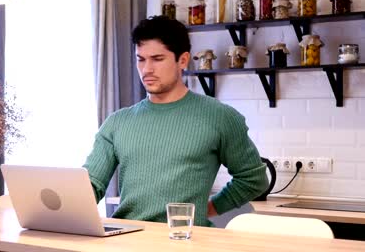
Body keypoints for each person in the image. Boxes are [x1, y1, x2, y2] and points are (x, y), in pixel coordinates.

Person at [83, 15, 268, 227]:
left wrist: (208, 208)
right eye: (140, 59)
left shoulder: (220, 117)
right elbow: (90, 184)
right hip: (128, 239)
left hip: (186, 240)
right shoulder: (117, 122)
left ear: (182, 60)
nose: (146, 69)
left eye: (157, 59)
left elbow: (254, 180)